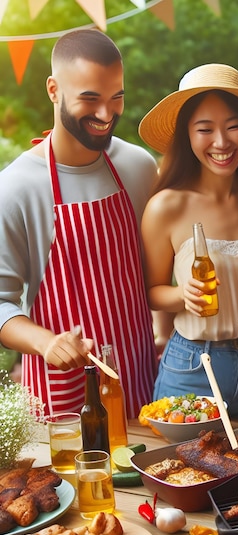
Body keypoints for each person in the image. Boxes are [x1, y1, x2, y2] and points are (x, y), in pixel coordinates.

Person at [0, 29, 158, 420]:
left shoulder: (138, 167)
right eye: (90, 99)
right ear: (54, 90)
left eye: (116, 98)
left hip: (142, 384)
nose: (106, 115)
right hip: (63, 398)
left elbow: (158, 269)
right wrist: (46, 342)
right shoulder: (16, 187)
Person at [138, 64, 238, 421]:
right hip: (192, 368)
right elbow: (151, 291)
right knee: (185, 472)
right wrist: (182, 295)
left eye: (234, 126)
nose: (221, 142)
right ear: (187, 135)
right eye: (205, 129)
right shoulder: (166, 206)